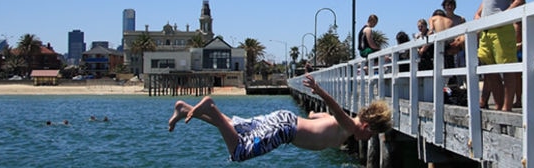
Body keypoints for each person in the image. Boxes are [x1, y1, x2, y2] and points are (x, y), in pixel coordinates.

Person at [168, 74, 392, 162]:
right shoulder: (350, 125)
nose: (368, 138)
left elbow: (317, 115)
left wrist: (313, 114)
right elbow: (334, 107)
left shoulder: (344, 125)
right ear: (365, 124)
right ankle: (210, 106)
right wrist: (319, 90)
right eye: (371, 133)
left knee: (235, 128)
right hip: (285, 130)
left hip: (286, 119)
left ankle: (184, 109)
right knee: (239, 152)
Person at [474, 0, 525, 112]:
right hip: (486, 30)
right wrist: (478, 13)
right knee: (489, 69)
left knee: (507, 68)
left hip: (502, 29)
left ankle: (507, 107)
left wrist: (503, 16)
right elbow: (488, 0)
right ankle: (498, 103)